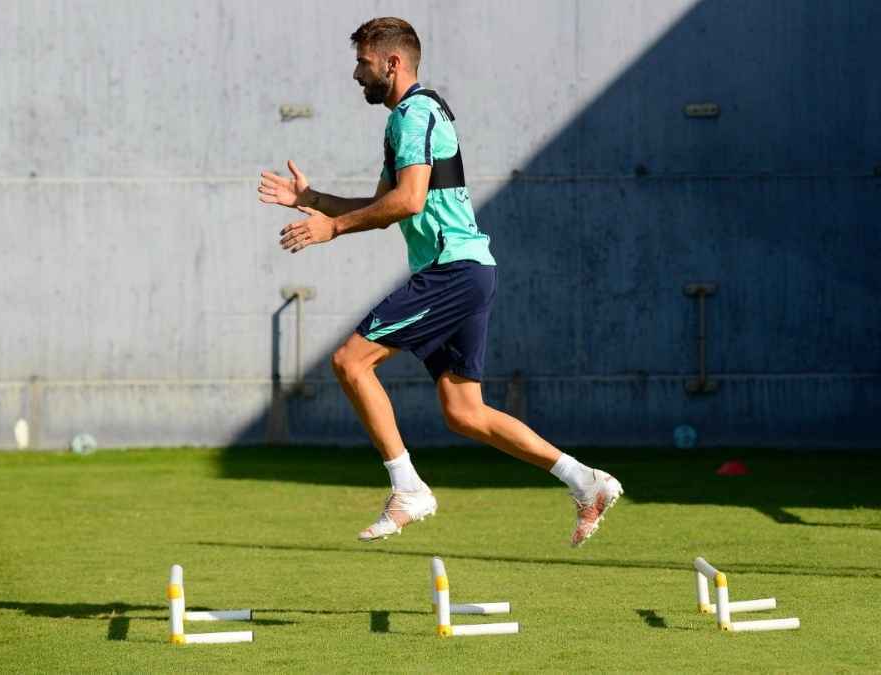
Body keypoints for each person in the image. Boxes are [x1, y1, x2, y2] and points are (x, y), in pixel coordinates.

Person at [259, 17, 622, 547]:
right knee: (464, 411)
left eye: (362, 63)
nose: (356, 74)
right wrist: (313, 200)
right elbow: (384, 206)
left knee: (349, 361)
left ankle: (408, 488)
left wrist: (331, 227)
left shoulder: (416, 114)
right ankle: (585, 481)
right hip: (463, 271)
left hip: (453, 271)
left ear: (392, 62)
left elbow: (406, 202)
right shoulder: (405, 120)